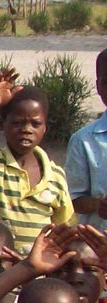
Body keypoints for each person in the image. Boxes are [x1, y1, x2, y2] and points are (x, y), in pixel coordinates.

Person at [0, 68, 73, 252]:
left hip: (34, 271)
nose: (26, 129)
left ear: (45, 128)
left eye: (35, 124)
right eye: (18, 122)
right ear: (2, 125)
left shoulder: (56, 177)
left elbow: (63, 227)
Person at [64, 48, 107, 230]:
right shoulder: (84, 140)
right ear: (98, 86)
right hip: (98, 244)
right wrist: (98, 205)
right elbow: (73, 200)